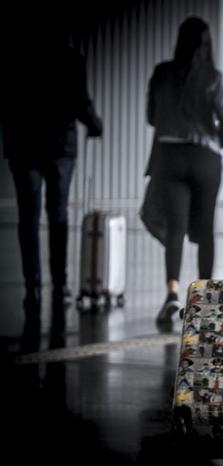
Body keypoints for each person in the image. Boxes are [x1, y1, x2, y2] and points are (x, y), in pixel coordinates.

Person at [145, 17, 223, 324]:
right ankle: (204, 300)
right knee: (207, 229)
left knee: (176, 228)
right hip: (204, 159)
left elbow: (151, 116)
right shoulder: (212, 76)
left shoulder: (162, 72)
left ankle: (172, 294)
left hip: (169, 156)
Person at [1, 33, 103, 312]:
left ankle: (32, 287)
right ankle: (60, 285)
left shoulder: (13, 56)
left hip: (23, 145)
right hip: (59, 147)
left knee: (28, 217)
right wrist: (95, 124)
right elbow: (79, 100)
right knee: (57, 214)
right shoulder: (69, 58)